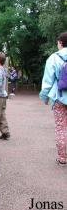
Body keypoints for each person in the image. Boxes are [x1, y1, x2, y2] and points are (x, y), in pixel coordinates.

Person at [39, 32, 67, 166]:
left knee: (61, 128)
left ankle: (62, 158)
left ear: (61, 43)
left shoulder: (54, 58)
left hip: (60, 98)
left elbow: (48, 81)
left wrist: (44, 97)